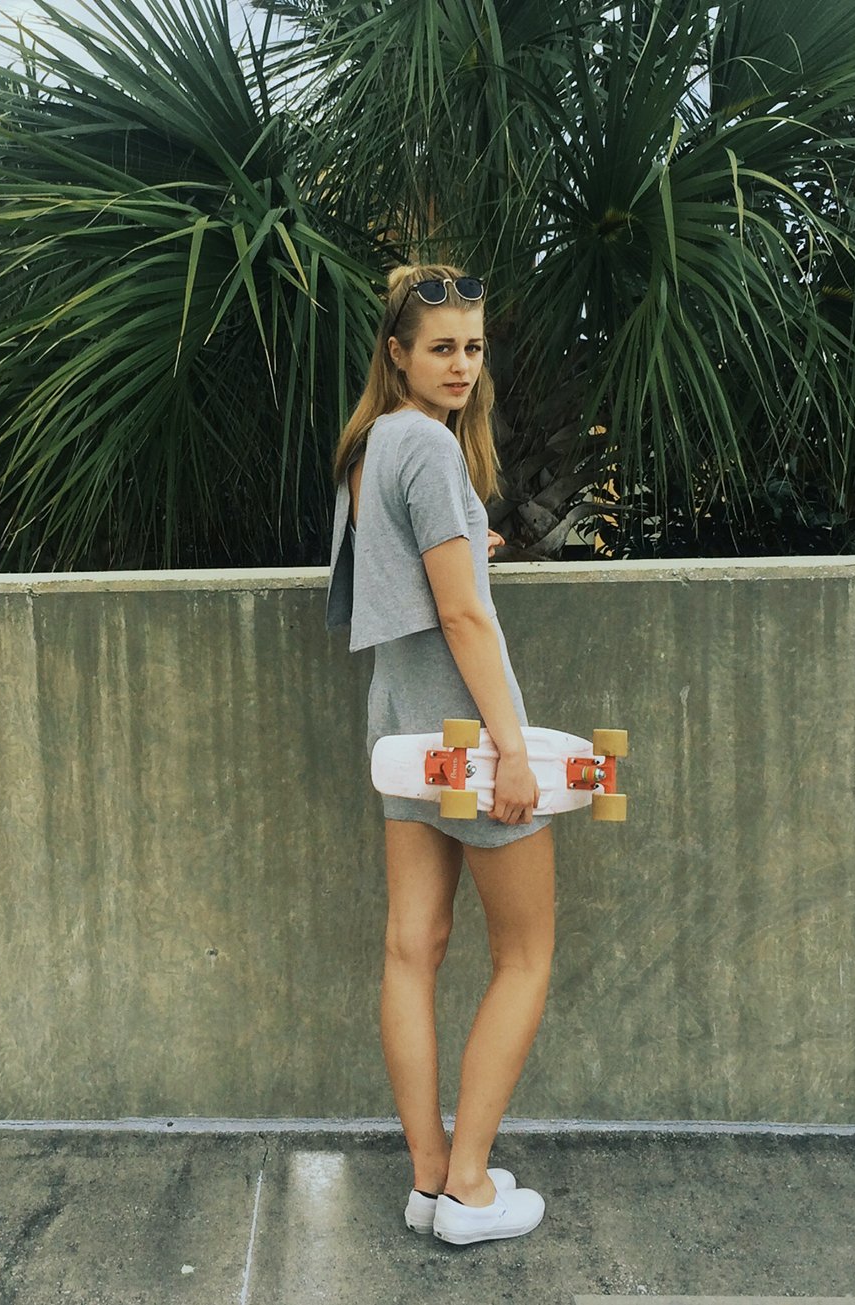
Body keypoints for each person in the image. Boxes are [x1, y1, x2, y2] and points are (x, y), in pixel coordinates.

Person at [325, 263, 553, 1246]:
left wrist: (470, 538)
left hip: (402, 726)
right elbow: (461, 616)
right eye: (441, 348)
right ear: (398, 354)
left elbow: (411, 569)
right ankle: (468, 1187)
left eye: (472, 347)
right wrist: (513, 748)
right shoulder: (427, 446)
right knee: (525, 955)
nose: (461, 365)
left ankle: (428, 1178)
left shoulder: (373, 444)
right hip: (465, 730)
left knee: (411, 951)